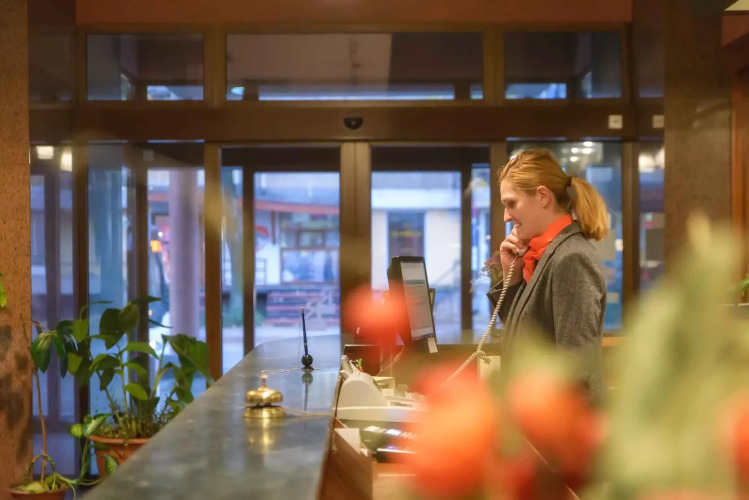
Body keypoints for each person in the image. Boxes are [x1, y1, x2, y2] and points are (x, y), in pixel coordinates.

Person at [489, 148, 608, 401]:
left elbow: (576, 371)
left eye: (511, 203)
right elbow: (527, 340)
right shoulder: (545, 253)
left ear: (542, 196)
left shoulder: (571, 257)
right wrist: (512, 277)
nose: (506, 216)